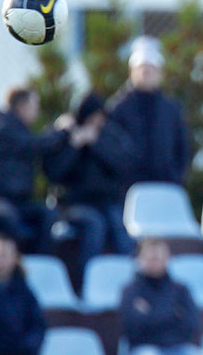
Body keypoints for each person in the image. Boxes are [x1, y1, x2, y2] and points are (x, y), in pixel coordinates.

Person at [43, 93, 136, 284]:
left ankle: (130, 282)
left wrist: (95, 144)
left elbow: (123, 166)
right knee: (94, 226)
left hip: (106, 202)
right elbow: (54, 173)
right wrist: (75, 146)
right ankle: (87, 282)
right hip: (72, 205)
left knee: (119, 230)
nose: (96, 122)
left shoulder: (111, 136)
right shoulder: (65, 136)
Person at [0, 86, 68, 253]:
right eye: (34, 105)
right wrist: (60, 130)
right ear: (21, 106)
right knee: (9, 217)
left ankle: (38, 263)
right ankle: (15, 266)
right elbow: (35, 144)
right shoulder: (2, 128)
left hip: (20, 202)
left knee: (48, 215)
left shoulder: (20, 129)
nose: (37, 111)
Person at [108, 36, 190, 190]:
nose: (146, 73)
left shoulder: (171, 109)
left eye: (151, 69)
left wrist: (176, 177)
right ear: (131, 71)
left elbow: (182, 148)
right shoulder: (118, 108)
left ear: (160, 72)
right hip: (128, 190)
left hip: (166, 186)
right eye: (142, 69)